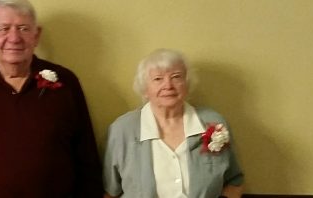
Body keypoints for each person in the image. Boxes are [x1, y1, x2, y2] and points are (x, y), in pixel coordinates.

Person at [0, 0, 103, 197]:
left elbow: (86, 157)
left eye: (23, 28)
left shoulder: (66, 82)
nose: (14, 38)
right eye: (4, 29)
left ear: (36, 35)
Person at [103, 49, 245, 198]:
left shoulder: (213, 123)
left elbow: (235, 181)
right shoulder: (123, 129)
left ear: (187, 84)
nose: (168, 85)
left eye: (176, 77)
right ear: (145, 89)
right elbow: (110, 192)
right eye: (158, 79)